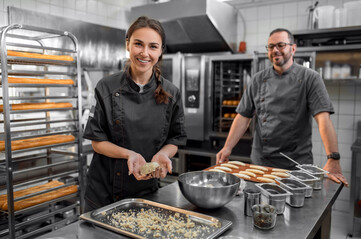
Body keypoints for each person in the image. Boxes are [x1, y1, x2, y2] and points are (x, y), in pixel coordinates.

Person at [216, 28, 348, 186]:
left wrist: (333, 158)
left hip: (295, 165)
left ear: (293, 48)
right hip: (260, 163)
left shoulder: (310, 78)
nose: (275, 50)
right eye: (271, 47)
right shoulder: (258, 80)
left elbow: (323, 120)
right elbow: (243, 117)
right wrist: (227, 147)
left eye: (281, 45)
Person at [82, 16, 187, 212]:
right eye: (138, 44)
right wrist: (128, 154)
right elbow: (96, 141)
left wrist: (164, 153)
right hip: (104, 195)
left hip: (146, 193)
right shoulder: (106, 87)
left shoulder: (171, 92)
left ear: (161, 51)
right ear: (127, 44)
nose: (145, 53)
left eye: (153, 46)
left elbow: (176, 138)